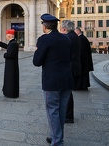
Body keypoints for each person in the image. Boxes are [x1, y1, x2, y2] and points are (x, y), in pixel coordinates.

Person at [33, 13, 73, 145]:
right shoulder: (67, 39)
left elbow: (37, 61)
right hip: (67, 79)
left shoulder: (44, 39)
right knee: (61, 111)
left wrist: (37, 51)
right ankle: (56, 136)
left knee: (52, 110)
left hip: (52, 81)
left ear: (45, 26)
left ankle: (57, 141)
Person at [60, 20, 81, 124]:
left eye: (60, 28)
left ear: (64, 29)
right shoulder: (74, 36)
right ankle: (68, 114)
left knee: (66, 93)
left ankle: (68, 116)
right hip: (74, 67)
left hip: (70, 68)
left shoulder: (68, 37)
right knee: (67, 92)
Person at [0, 29, 19, 98]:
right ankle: (8, 91)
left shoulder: (13, 44)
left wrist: (4, 54)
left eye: (6, 35)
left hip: (11, 65)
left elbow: (10, 54)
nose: (6, 37)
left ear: (9, 36)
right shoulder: (12, 43)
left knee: (11, 78)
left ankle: (10, 93)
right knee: (10, 78)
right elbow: (8, 47)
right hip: (11, 64)